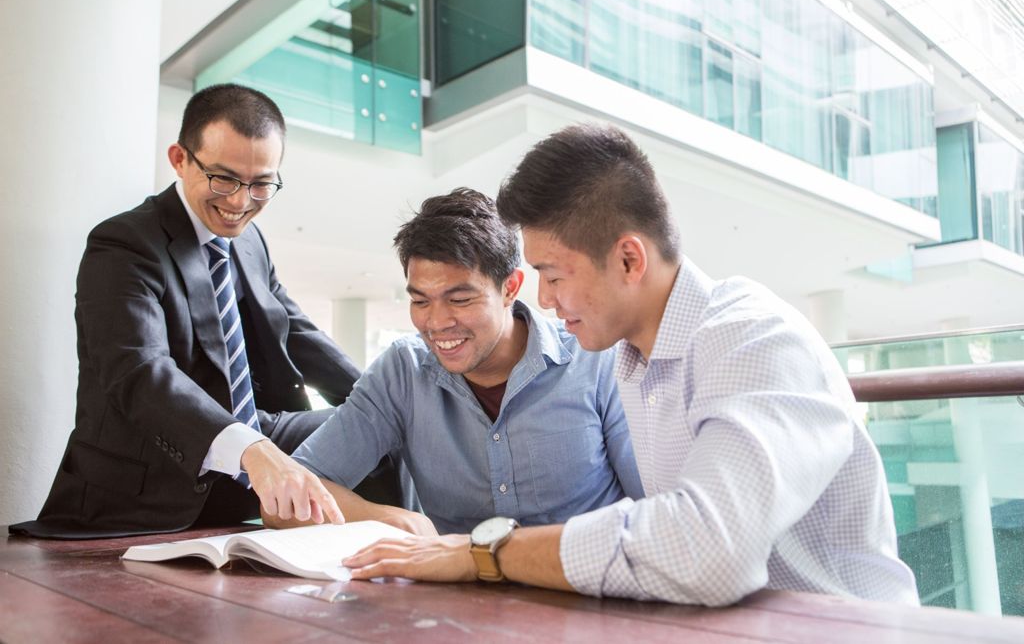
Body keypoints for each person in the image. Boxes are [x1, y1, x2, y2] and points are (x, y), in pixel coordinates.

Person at [339, 124, 919, 607]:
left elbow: (706, 551)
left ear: (627, 258)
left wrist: (481, 553)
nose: (543, 300)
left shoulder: (751, 340)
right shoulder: (635, 358)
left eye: (555, 275)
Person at [11, 84, 398, 539]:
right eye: (223, 178)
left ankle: (398, 551)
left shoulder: (250, 242)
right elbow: (139, 371)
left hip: (256, 433)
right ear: (179, 159)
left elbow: (295, 330)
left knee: (384, 429)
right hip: (151, 480)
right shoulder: (124, 244)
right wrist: (251, 447)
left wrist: (384, 401)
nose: (239, 202)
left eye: (260, 184)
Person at [267, 188, 644, 535]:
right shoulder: (403, 372)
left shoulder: (595, 362)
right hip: (455, 600)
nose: (437, 323)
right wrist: (387, 518)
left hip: (587, 592)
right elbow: (284, 501)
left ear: (510, 287)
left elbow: (656, 509)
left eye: (460, 299)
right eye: (420, 301)